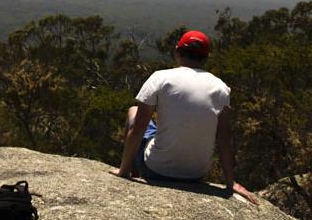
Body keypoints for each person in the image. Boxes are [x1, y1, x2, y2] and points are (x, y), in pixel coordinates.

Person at [111, 30, 258, 205]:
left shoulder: (160, 77)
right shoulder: (221, 88)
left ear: (176, 51)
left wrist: (122, 170)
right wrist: (230, 182)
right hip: (195, 175)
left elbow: (138, 129)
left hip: (156, 170)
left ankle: (130, 172)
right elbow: (224, 138)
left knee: (133, 111)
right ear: (205, 58)